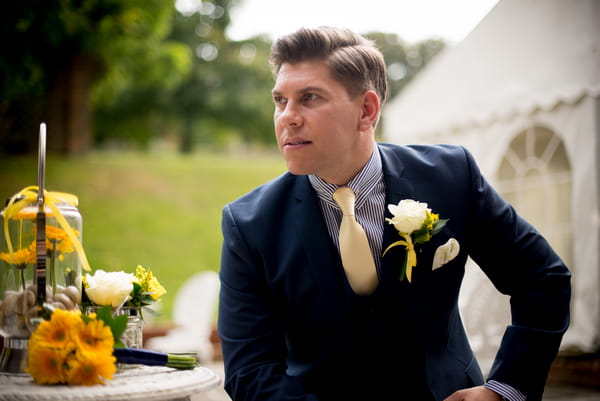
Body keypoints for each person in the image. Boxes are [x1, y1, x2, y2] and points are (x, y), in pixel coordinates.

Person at [218, 26, 571, 401]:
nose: (287, 117)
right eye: (280, 100)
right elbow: (249, 372)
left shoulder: (451, 176)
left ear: (366, 110)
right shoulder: (250, 224)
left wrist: (504, 389)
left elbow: (543, 278)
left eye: (309, 97)